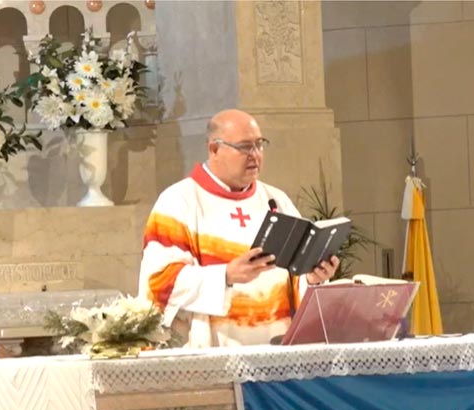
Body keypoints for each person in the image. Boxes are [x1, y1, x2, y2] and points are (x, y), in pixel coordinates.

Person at [139, 109, 339, 347]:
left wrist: (313, 277)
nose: (255, 155)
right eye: (245, 147)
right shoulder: (178, 201)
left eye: (259, 144)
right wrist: (225, 276)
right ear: (214, 149)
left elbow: (294, 279)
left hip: (278, 348)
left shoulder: (276, 200)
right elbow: (159, 281)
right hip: (213, 354)